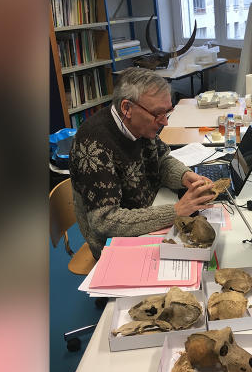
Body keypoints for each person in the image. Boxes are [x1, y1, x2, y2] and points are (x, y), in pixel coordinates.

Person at [69, 68, 215, 259]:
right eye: (158, 114)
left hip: (151, 210)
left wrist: (185, 176)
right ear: (127, 108)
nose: (165, 122)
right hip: (114, 243)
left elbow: (162, 161)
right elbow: (104, 221)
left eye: (167, 112)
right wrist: (176, 211)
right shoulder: (93, 145)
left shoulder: (141, 125)